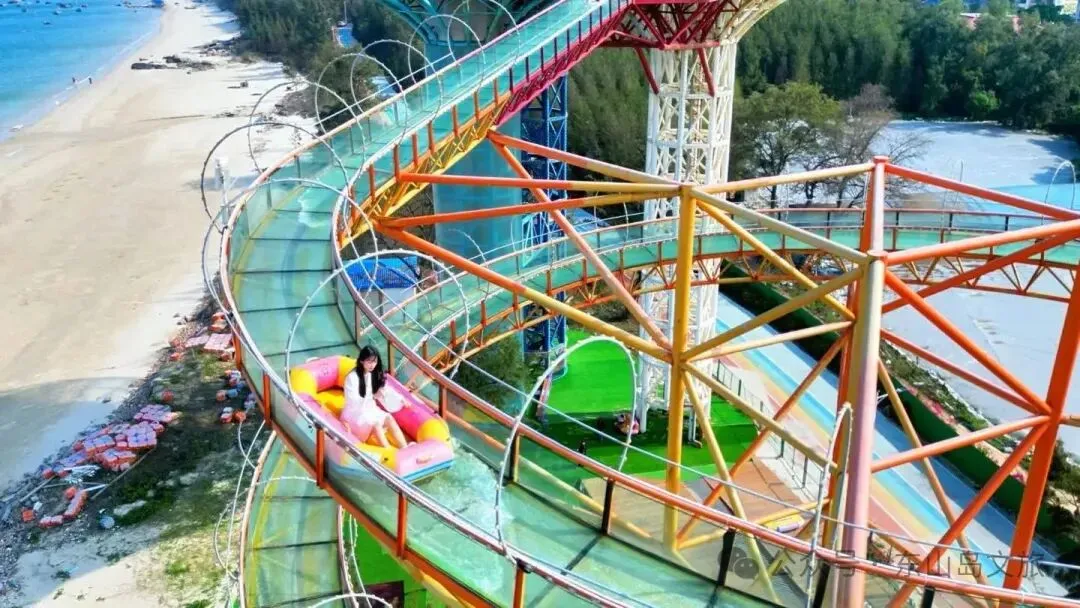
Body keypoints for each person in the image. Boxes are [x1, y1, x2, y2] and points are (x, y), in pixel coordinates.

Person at [341, 345, 408, 448]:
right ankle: (389, 453)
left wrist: (400, 399)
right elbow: (353, 402)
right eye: (369, 361)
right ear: (362, 361)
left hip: (370, 409)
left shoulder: (373, 374)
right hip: (355, 414)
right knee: (376, 424)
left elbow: (385, 389)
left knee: (388, 418)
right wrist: (372, 395)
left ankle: (405, 448)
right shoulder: (352, 377)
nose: (372, 365)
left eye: (374, 362)